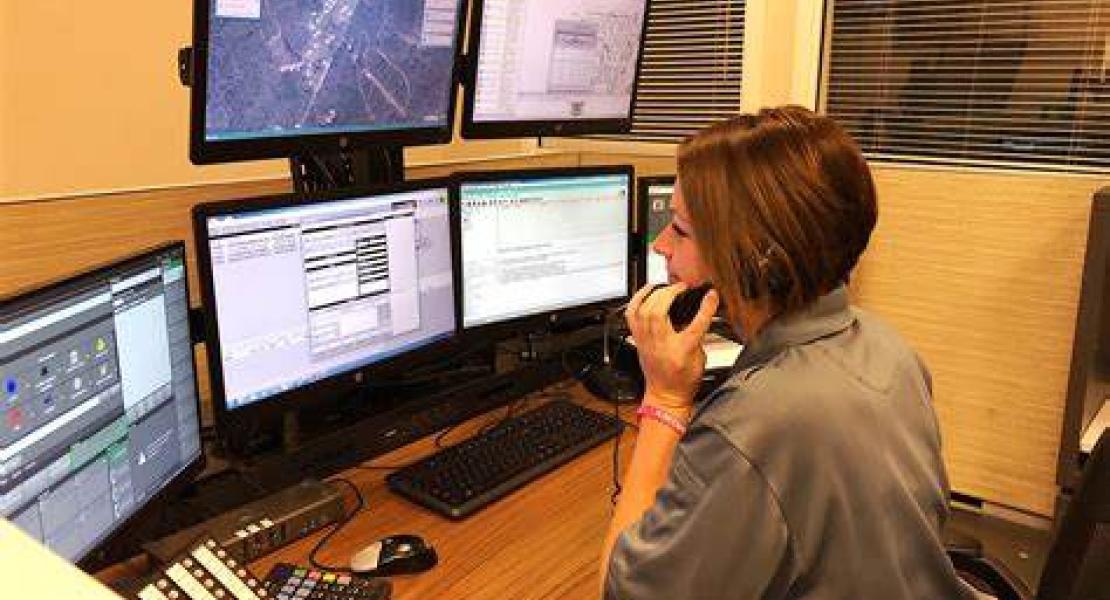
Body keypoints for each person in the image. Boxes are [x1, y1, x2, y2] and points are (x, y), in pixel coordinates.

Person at [600, 106, 980, 599]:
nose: (659, 244)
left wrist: (666, 401)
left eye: (681, 229)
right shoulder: (889, 348)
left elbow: (619, 590)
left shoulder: (756, 425)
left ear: (754, 258)